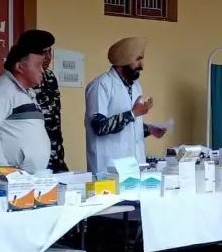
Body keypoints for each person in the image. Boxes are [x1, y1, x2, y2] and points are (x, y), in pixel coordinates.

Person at [85, 37, 166, 173]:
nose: (142, 66)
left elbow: (129, 128)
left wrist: (149, 129)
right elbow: (99, 127)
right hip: (108, 168)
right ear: (124, 60)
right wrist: (133, 113)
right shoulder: (101, 85)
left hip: (134, 166)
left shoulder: (136, 87)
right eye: (138, 59)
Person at [0, 44, 50, 176]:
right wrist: (6, 171)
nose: (42, 70)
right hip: (3, 180)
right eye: (37, 65)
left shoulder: (29, 94)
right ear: (19, 67)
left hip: (26, 179)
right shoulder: (1, 90)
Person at [17, 29, 68, 172]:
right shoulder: (18, 80)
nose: (48, 57)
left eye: (50, 52)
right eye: (43, 53)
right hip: (29, 161)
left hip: (55, 155)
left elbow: (55, 118)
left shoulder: (49, 77)